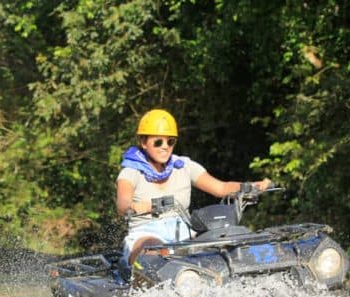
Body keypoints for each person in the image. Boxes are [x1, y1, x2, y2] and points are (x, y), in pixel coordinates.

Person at [117, 108, 272, 265]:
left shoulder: (183, 165)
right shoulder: (131, 171)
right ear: (144, 142)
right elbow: (122, 204)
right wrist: (139, 206)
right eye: (158, 142)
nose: (165, 146)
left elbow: (221, 188)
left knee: (228, 239)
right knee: (154, 249)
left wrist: (250, 187)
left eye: (170, 141)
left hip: (184, 233)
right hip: (146, 234)